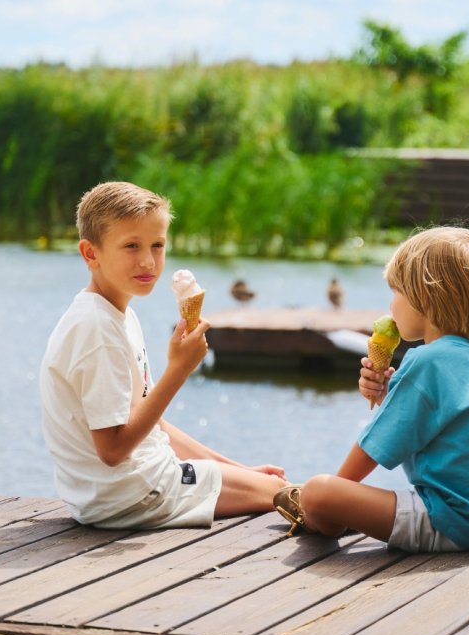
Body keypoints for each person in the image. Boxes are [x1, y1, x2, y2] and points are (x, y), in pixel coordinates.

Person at [39, 182, 287, 534]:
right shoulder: (97, 329)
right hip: (133, 495)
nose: (148, 261)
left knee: (269, 485)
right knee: (283, 493)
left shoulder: (117, 315)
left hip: (123, 490)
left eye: (157, 245)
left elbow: (152, 426)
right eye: (131, 246)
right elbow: (112, 450)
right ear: (90, 254)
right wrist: (179, 370)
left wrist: (239, 469)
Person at [277, 227, 469, 552]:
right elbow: (428, 424)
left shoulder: (427, 361)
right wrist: (389, 393)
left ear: (422, 297)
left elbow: (371, 448)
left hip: (457, 524)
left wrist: (336, 490)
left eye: (395, 291)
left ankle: (317, 515)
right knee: (332, 492)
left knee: (319, 491)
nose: (390, 305)